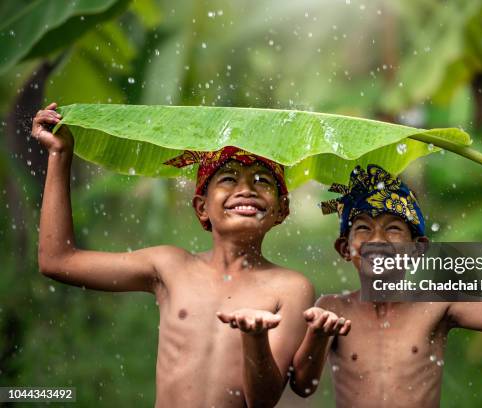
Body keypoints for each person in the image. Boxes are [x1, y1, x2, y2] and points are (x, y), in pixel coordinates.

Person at [33, 102, 314, 408]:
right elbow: (57, 260)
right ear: (202, 207)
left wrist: (255, 338)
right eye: (228, 179)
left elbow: (263, 400)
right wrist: (59, 155)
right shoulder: (171, 266)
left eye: (262, 180)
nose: (246, 188)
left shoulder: (291, 288)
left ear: (281, 209)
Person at [290, 164, 482, 407]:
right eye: (363, 228)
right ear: (345, 248)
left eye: (393, 229)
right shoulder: (332, 309)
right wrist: (317, 336)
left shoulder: (435, 305)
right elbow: (302, 387)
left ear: (417, 249)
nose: (378, 240)